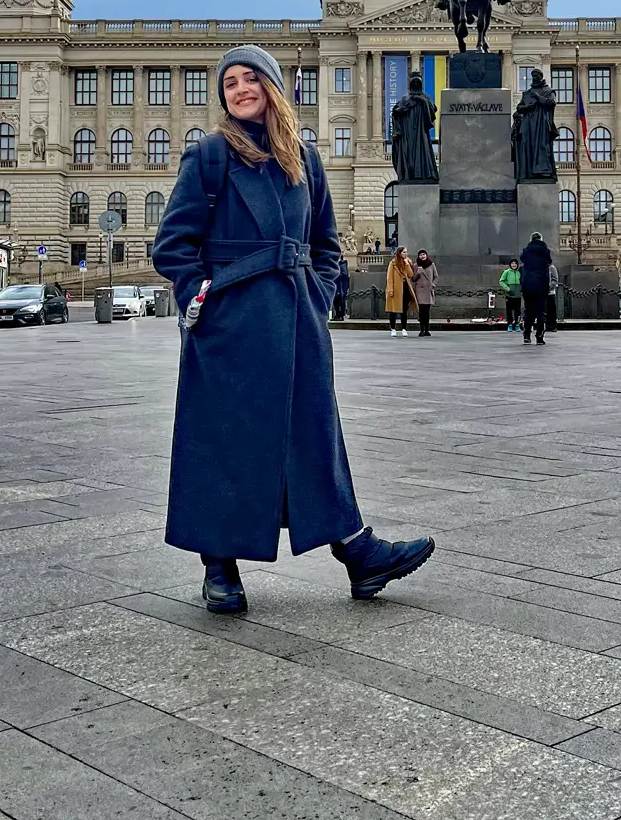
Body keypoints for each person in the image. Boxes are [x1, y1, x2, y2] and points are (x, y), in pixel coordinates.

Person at [152, 44, 433, 613]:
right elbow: (173, 247)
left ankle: (357, 551)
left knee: (312, 435)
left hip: (298, 321)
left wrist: (318, 296)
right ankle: (219, 565)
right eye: (229, 82)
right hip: (231, 324)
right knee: (226, 441)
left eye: (250, 78)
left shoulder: (304, 160)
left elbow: (326, 243)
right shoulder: (209, 156)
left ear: (273, 87)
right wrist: (202, 296)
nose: (238, 89)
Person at [520, 231, 551, 345]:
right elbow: (548, 262)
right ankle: (539, 336)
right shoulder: (545, 251)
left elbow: (522, 259)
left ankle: (527, 335)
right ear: (541, 239)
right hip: (541, 284)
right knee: (540, 311)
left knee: (529, 311)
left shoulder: (526, 251)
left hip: (528, 284)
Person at [386, 246, 417, 336]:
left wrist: (407, 264)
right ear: (399, 253)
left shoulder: (408, 262)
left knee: (404, 309)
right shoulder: (393, 263)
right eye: (404, 252)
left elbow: (411, 274)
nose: (405, 254)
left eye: (406, 252)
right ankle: (393, 329)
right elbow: (389, 277)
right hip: (396, 288)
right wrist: (390, 289)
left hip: (405, 287)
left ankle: (404, 328)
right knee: (393, 310)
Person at [412, 249, 438, 337]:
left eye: (424, 254)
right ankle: (422, 329)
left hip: (428, 290)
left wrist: (433, 285)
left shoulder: (431, 265)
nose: (422, 256)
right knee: (421, 311)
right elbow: (413, 279)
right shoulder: (416, 266)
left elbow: (436, 276)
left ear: (426, 255)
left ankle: (427, 329)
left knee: (427, 311)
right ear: (418, 256)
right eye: (421, 255)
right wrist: (418, 273)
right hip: (420, 291)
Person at [499, 259, 522, 332]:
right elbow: (501, 281)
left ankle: (517, 324)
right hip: (510, 294)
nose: (514, 265)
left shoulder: (519, 272)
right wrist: (508, 288)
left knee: (517, 311)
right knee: (509, 310)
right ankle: (509, 324)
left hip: (518, 294)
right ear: (510, 264)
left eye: (515, 263)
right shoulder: (507, 272)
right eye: (512, 263)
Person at [332, 257, 350, 321]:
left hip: (340, 287)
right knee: (336, 301)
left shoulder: (342, 265)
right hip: (337, 285)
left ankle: (340, 316)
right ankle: (338, 315)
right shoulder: (339, 265)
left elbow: (344, 275)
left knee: (339, 301)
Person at [546, 261, 560, 332]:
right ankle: (546, 326)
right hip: (541, 293)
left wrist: (549, 287)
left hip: (550, 292)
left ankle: (552, 326)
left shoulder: (552, 268)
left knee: (551, 310)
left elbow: (555, 279)